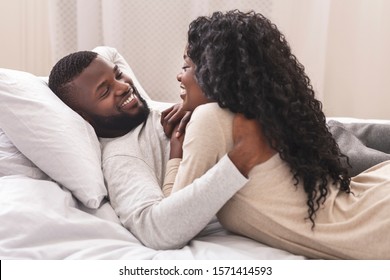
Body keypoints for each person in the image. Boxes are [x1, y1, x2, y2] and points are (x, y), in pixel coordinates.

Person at [166, 10, 390, 259]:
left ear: (212, 72)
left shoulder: (210, 118)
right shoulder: (264, 114)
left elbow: (170, 226)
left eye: (186, 66)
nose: (179, 75)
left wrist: (175, 153)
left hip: (376, 221)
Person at [47, 46, 267, 250]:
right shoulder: (122, 156)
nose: (123, 86)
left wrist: (198, 106)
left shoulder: (166, 113)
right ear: (82, 117)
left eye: (117, 75)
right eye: (104, 92)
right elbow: (158, 231)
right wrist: (239, 161)